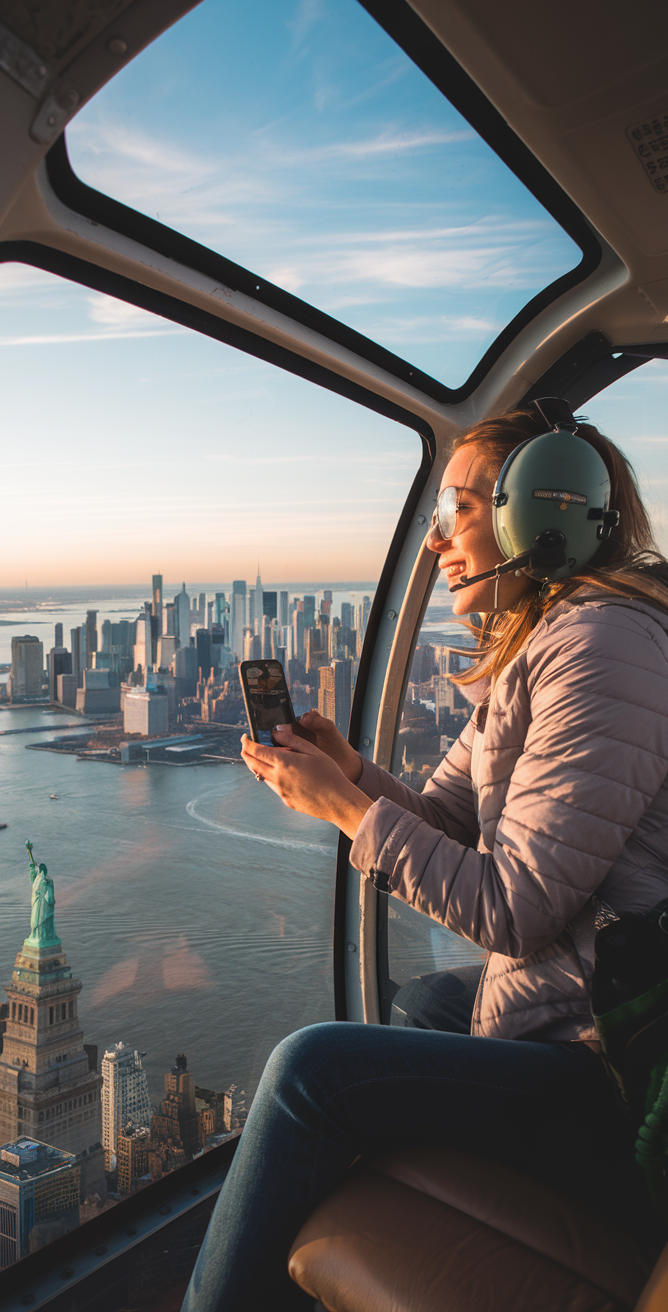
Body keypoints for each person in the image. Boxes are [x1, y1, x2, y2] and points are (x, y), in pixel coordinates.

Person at [182, 407, 668, 1311]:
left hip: (617, 1064)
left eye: (460, 508)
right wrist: (353, 774)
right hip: (575, 1002)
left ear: (544, 514)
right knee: (422, 1000)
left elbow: (515, 909)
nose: (436, 539)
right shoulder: (540, 642)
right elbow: (446, 815)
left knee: (308, 1072)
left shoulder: (602, 648)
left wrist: (346, 807)